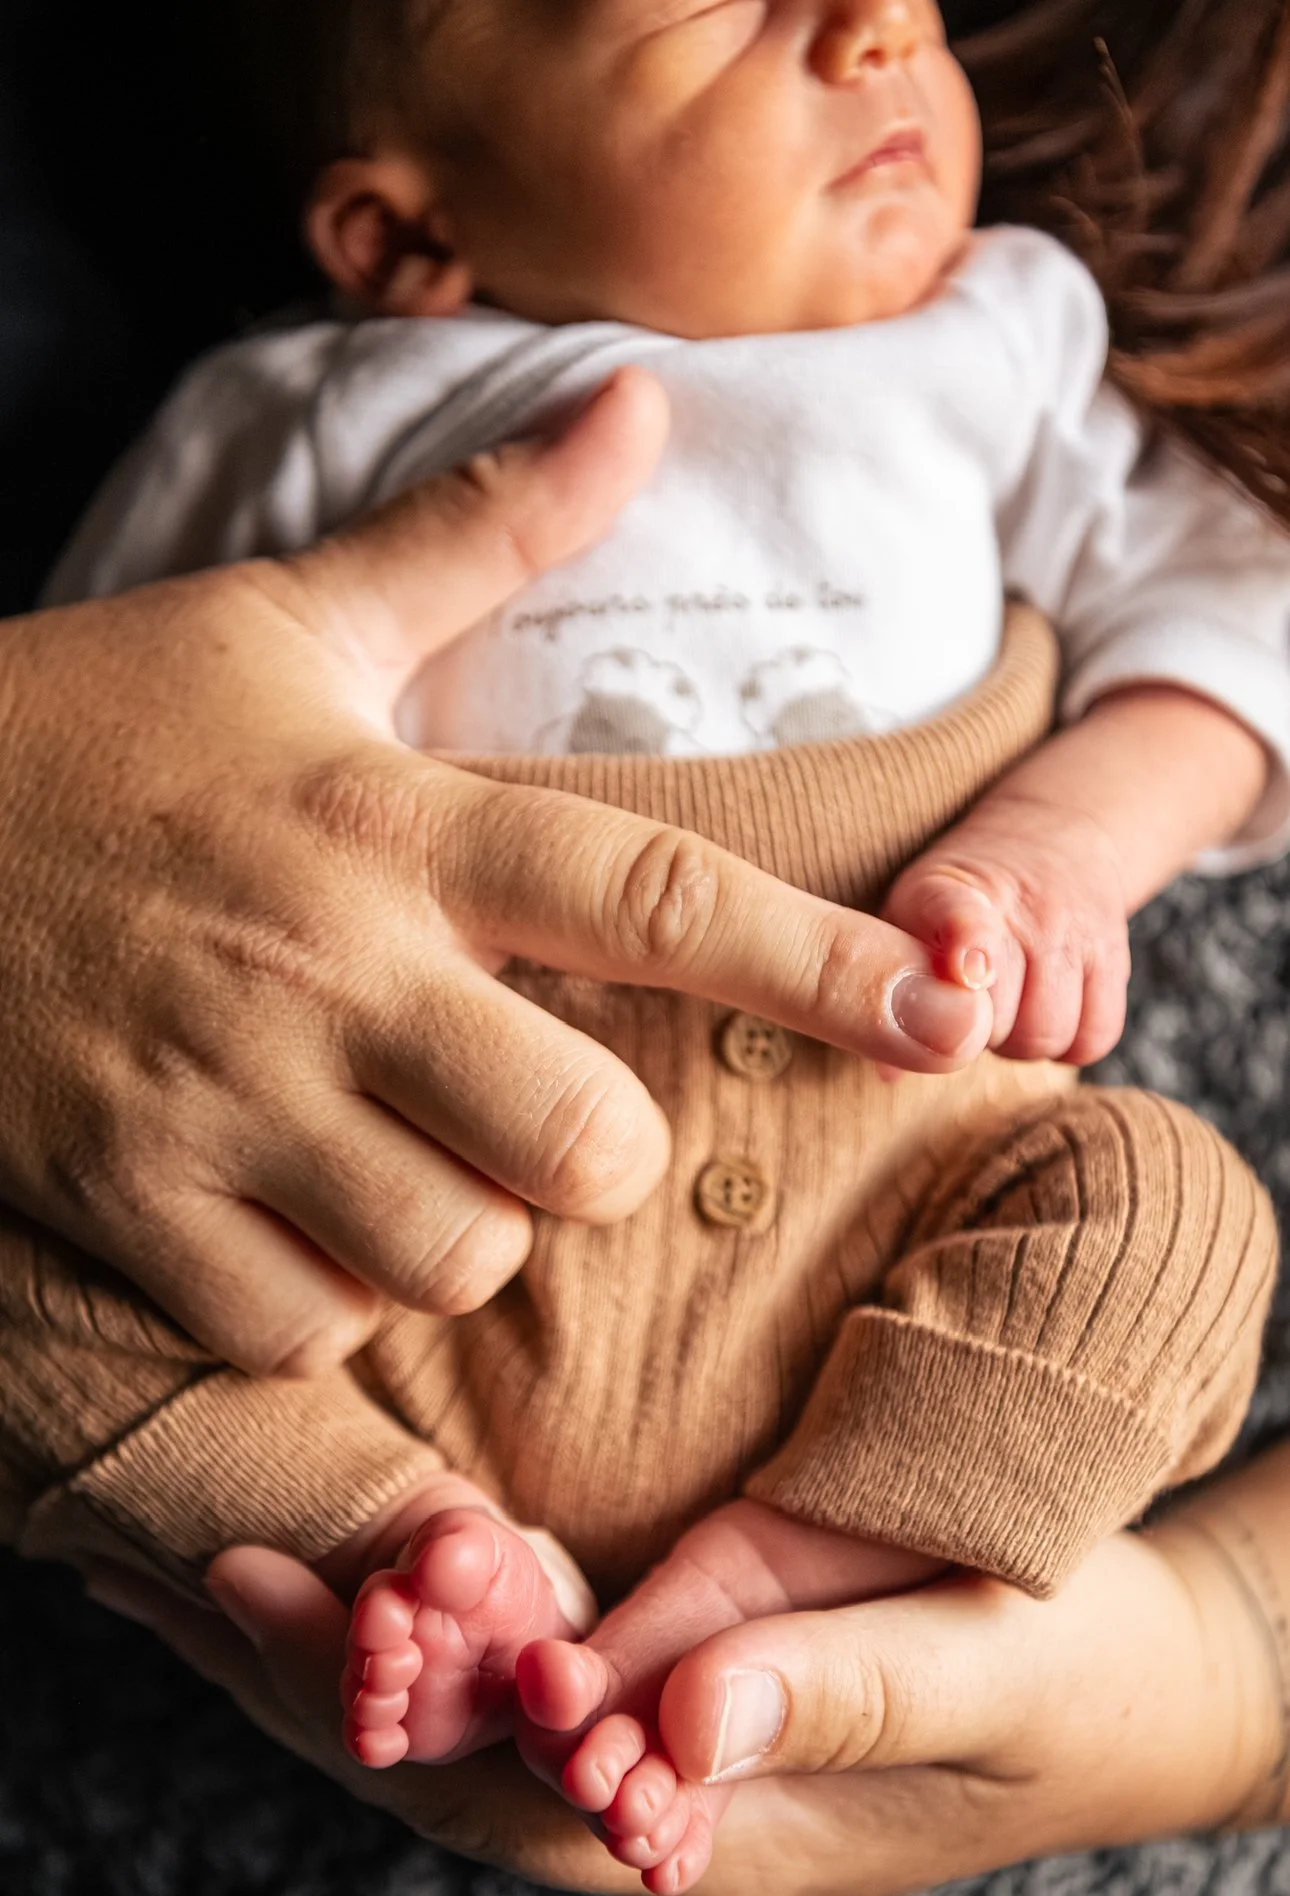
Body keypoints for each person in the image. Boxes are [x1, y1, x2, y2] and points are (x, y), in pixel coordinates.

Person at [2, 3, 1289, 1896]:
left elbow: (1233, 616)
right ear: (403, 239)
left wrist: (1062, 845)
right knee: (37, 1266)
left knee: (1171, 1220)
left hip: (906, 1173)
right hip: (383, 1251)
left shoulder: (992, 341)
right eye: (713, 2)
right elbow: (104, 808)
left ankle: (789, 1572)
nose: (871, 31)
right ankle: (385, 1544)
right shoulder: (305, 408)